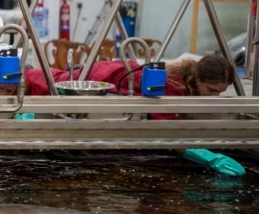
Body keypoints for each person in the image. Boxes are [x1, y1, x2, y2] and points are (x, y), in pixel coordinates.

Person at [82, 54, 244, 176]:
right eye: (211, 90)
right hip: (103, 75)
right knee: (59, 76)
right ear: (197, 79)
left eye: (220, 92)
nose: (215, 97)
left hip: (121, 68)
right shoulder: (171, 86)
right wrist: (210, 158)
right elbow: (166, 133)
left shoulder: (189, 82)